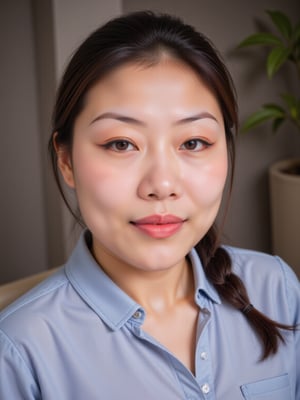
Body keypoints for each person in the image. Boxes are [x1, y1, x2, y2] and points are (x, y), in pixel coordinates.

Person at [0, 10, 299, 400]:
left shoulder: (276, 289)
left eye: (193, 143)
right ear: (66, 160)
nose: (161, 185)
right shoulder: (19, 354)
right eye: (121, 144)